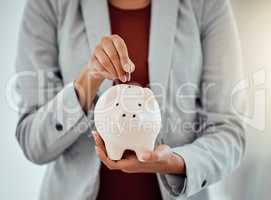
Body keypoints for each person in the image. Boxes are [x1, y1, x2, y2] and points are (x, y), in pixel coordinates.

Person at [14, 0, 247, 199]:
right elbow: (33, 144)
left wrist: (178, 162)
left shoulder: (207, 5)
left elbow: (228, 131)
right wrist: (89, 80)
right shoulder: (48, 4)